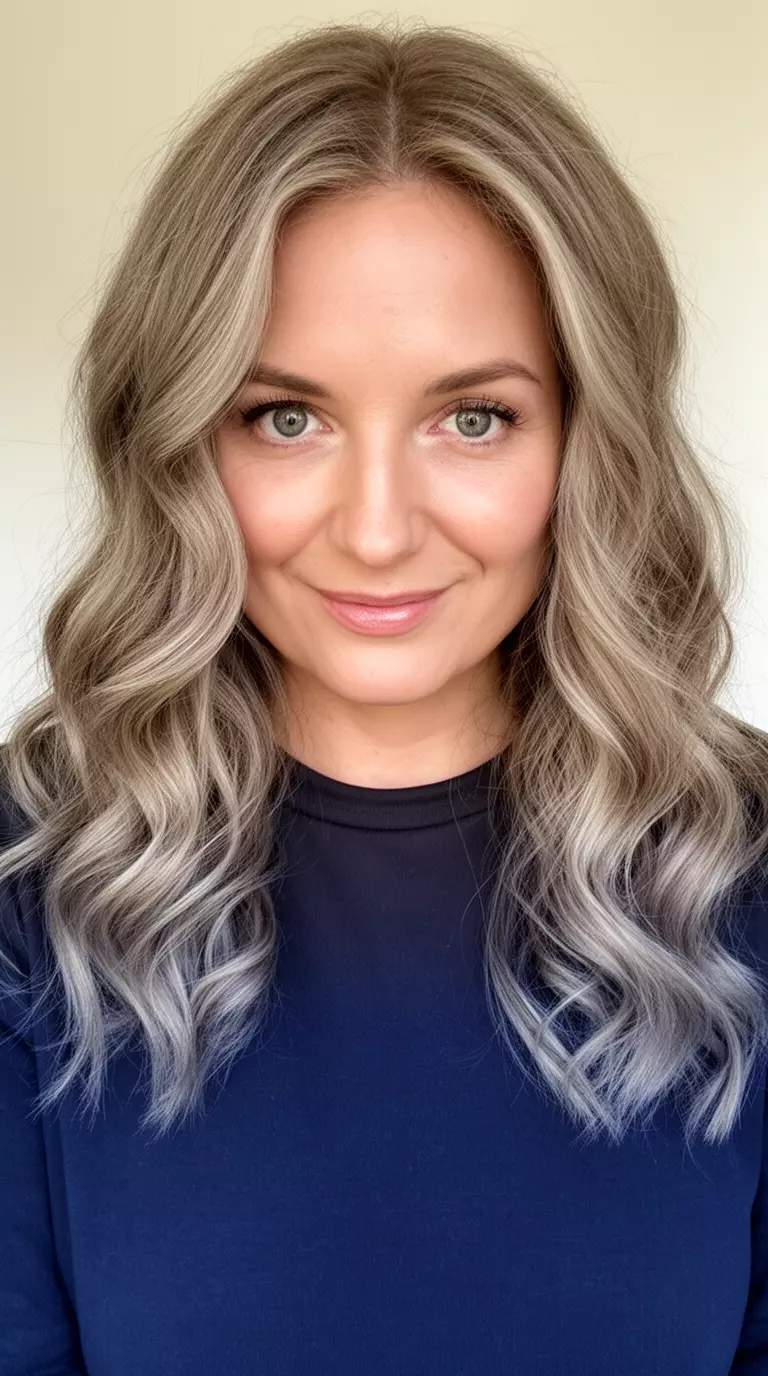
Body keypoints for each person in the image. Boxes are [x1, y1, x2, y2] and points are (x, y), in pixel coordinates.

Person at [1, 19, 767, 1375]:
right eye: (284, 417)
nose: (373, 529)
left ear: (591, 441)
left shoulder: (745, 870)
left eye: (472, 418)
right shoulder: (29, 887)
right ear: (180, 439)